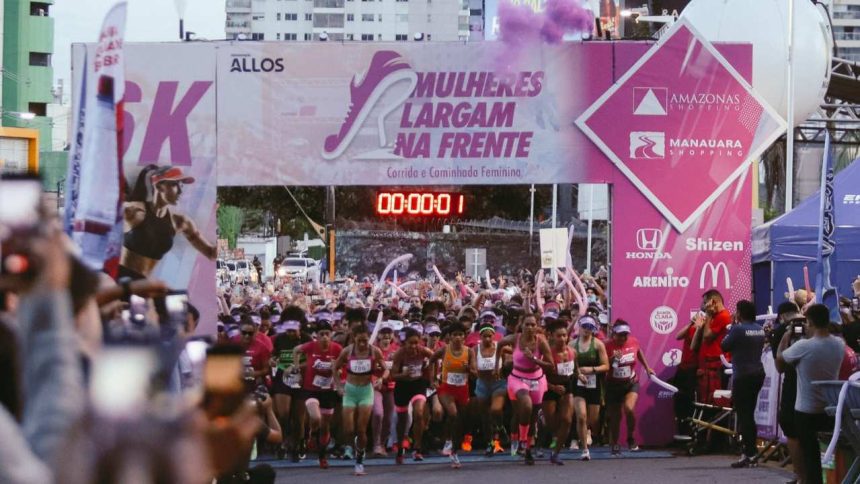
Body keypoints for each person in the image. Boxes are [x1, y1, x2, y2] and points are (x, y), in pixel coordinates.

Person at [777, 304, 845, 484]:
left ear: (811, 322)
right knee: (827, 455)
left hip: (806, 411)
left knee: (811, 457)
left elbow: (780, 362)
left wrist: (786, 337)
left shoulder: (803, 346)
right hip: (829, 409)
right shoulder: (839, 344)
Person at [120, 165, 217, 280]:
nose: (180, 191)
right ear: (159, 186)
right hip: (118, 280)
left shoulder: (180, 222)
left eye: (181, 185)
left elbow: (211, 254)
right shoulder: (134, 212)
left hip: (141, 286)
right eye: (175, 184)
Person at [496, 313, 554, 465]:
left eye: (533, 325)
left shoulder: (541, 342)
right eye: (527, 324)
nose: (530, 327)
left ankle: (527, 449)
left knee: (533, 416)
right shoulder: (515, 339)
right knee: (525, 406)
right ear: (522, 326)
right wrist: (498, 365)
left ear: (537, 327)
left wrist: (534, 359)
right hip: (517, 378)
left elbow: (551, 365)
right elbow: (500, 344)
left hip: (536, 380)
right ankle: (520, 440)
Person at [333, 324, 387, 476]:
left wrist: (382, 378)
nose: (363, 344)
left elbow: (385, 368)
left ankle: (359, 459)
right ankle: (352, 446)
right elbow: (334, 368)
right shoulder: (347, 351)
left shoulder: (374, 351)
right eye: (360, 341)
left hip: (365, 391)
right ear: (354, 338)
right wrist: (338, 386)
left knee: (361, 428)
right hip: (350, 391)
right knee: (349, 429)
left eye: (365, 340)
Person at [291, 321, 343, 469]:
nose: (325, 337)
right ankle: (310, 435)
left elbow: (343, 364)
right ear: (317, 336)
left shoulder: (337, 348)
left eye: (327, 334)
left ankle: (322, 456)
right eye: (321, 334)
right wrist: (296, 369)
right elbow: (295, 350)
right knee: (315, 417)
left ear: (331, 334)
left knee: (325, 427)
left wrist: (338, 370)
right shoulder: (311, 346)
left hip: (328, 390)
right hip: (311, 389)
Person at [721, 300, 766, 468]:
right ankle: (750, 452)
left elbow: (724, 345)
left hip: (743, 376)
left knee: (744, 415)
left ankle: (750, 453)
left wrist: (732, 326)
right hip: (757, 375)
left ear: (739, 312)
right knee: (749, 414)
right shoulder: (759, 329)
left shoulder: (738, 329)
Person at [604, 320, 655, 456]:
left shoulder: (633, 341)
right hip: (613, 385)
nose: (623, 338)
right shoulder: (606, 345)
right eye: (620, 335)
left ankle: (630, 438)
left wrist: (647, 367)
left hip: (630, 382)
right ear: (613, 334)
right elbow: (603, 365)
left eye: (625, 334)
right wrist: (612, 359)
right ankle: (615, 443)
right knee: (616, 417)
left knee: (629, 408)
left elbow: (639, 352)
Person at [768, 301, 805, 483]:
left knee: (790, 427)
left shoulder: (781, 331)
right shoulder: (812, 328)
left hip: (794, 385)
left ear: (781, 316)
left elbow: (780, 365)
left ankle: (800, 475)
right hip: (815, 386)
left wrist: (784, 338)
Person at [429, 323, 471, 468]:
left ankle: (454, 451)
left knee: (460, 420)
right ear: (450, 337)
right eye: (455, 335)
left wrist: (469, 369)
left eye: (460, 334)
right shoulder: (444, 350)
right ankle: (447, 440)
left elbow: (476, 372)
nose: (458, 337)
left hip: (462, 389)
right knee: (452, 413)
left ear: (464, 337)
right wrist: (433, 379)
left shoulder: (469, 351)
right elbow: (431, 360)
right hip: (446, 388)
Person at [391, 327, 434, 464]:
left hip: (418, 385)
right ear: (405, 343)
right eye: (411, 343)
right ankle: (400, 448)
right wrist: (402, 375)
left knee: (419, 413)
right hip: (402, 386)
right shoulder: (400, 354)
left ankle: (417, 448)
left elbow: (434, 359)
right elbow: (392, 375)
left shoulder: (423, 351)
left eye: (416, 343)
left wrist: (432, 378)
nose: (414, 346)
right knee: (402, 419)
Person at [270, 315, 308, 462]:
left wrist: (296, 366)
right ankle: (284, 441)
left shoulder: (307, 339)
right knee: (283, 414)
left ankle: (300, 442)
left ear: (300, 329)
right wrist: (272, 360)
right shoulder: (280, 339)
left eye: (293, 331)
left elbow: (311, 361)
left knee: (299, 417)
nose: (290, 333)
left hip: (300, 379)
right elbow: (274, 356)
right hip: (282, 378)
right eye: (288, 331)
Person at [571, 315, 609, 460]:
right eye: (584, 326)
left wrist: (592, 369)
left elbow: (606, 366)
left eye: (589, 327)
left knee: (592, 419)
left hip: (594, 385)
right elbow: (568, 366)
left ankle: (586, 431)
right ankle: (585, 450)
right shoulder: (571, 345)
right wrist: (578, 373)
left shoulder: (598, 344)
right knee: (581, 416)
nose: (586, 330)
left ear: (593, 329)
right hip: (578, 384)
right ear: (579, 327)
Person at [471, 322, 507, 457]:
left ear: (493, 336)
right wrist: (473, 370)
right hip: (482, 384)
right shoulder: (475, 349)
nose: (487, 339)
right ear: (480, 337)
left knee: (496, 410)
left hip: (498, 384)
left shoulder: (500, 347)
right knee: (485, 417)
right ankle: (490, 443)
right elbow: (473, 366)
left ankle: (501, 428)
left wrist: (503, 367)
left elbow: (510, 356)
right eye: (484, 336)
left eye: (489, 336)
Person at [544, 319, 576, 465]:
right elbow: (538, 376)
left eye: (564, 335)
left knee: (567, 420)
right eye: (559, 336)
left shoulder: (572, 351)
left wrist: (579, 374)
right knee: (552, 425)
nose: (563, 338)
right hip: (549, 388)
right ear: (551, 336)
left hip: (566, 387)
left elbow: (576, 367)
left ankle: (556, 453)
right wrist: (553, 387)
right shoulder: (547, 354)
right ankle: (542, 426)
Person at [693, 289, 732, 405]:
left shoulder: (723, 316)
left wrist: (708, 315)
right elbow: (695, 345)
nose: (703, 307)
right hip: (707, 367)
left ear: (713, 302)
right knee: (706, 401)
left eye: (705, 303)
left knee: (716, 402)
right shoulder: (715, 317)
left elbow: (707, 337)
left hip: (716, 368)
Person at [672, 309, 701, 437]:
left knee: (689, 402)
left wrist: (700, 327)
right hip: (683, 369)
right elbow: (678, 336)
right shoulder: (692, 327)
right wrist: (691, 323)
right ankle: (681, 431)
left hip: (693, 370)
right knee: (679, 400)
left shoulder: (702, 330)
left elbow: (694, 347)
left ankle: (690, 433)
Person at [372, 321, 398, 456]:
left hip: (391, 388)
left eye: (389, 333)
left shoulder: (396, 350)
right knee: (378, 413)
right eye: (383, 333)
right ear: (379, 335)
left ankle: (381, 444)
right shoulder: (373, 349)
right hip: (375, 386)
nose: (386, 335)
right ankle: (376, 443)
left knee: (389, 418)